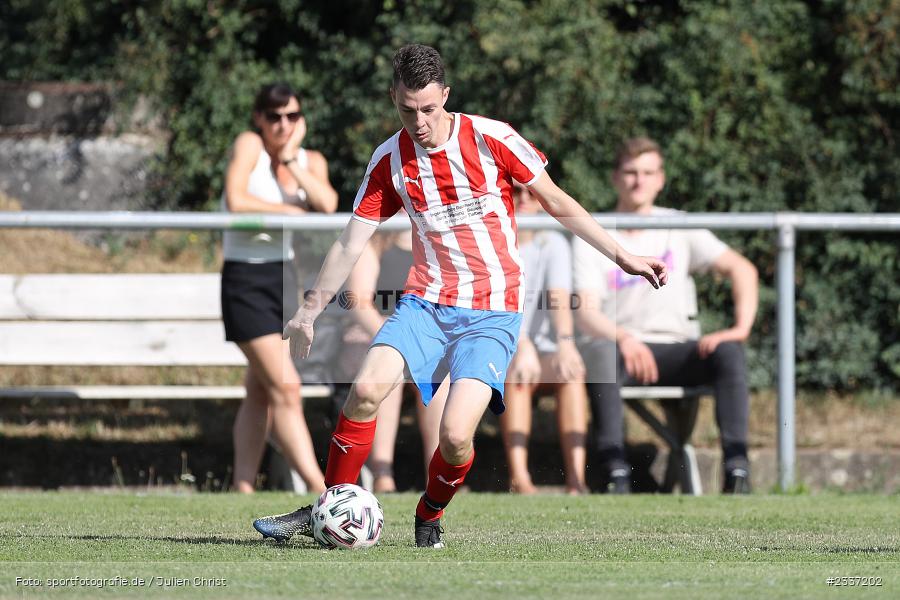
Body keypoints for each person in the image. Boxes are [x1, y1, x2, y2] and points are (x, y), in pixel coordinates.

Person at [252, 44, 667, 548]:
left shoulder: (493, 139)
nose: (420, 121)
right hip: (426, 302)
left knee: (454, 438)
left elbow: (556, 201)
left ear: (445, 96)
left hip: (493, 310)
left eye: (429, 108)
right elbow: (350, 241)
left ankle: (429, 514)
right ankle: (327, 504)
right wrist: (308, 311)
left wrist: (622, 256)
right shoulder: (389, 160)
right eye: (408, 110)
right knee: (364, 391)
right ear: (394, 99)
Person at [572, 136, 758, 494]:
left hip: (677, 347)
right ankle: (615, 474)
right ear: (615, 178)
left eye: (648, 172)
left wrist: (739, 329)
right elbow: (586, 314)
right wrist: (624, 339)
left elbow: (743, 270)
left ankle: (737, 472)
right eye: (630, 172)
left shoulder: (679, 225)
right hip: (622, 349)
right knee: (601, 354)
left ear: (661, 179)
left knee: (729, 353)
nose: (638, 181)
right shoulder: (595, 233)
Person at [220, 82, 338, 494]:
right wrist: (287, 209)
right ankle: (325, 492)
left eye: (291, 116)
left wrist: (292, 160)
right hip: (245, 278)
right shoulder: (249, 144)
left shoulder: (308, 159)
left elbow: (327, 203)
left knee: (260, 390)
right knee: (287, 387)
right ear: (259, 119)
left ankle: (242, 486)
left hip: (284, 278)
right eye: (273, 116)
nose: (282, 124)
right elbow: (237, 200)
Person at [338, 221, 447, 493]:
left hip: (423, 343)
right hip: (371, 337)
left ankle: (437, 477)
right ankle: (382, 473)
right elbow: (360, 304)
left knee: (439, 381)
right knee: (388, 375)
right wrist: (397, 342)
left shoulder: (436, 247)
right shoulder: (373, 245)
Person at [500, 182, 588, 495]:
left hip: (543, 351)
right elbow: (501, 303)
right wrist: (521, 345)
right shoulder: (495, 241)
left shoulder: (554, 243)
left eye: (530, 191)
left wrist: (566, 343)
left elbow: (559, 299)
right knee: (517, 376)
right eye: (514, 192)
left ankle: (577, 481)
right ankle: (520, 479)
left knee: (571, 374)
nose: (523, 198)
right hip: (501, 345)